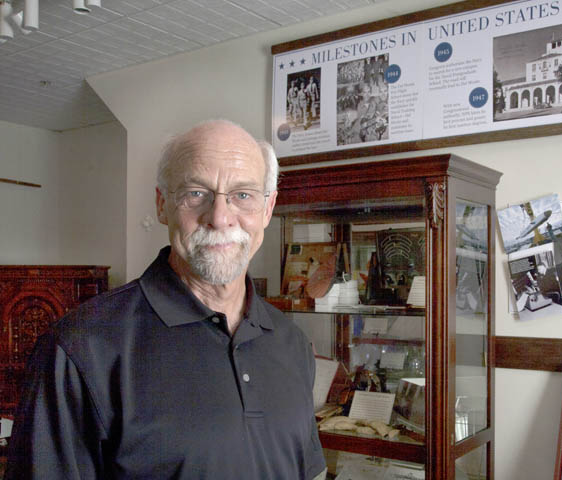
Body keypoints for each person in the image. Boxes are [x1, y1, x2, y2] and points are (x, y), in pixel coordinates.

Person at [5, 120, 327, 479]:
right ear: (162, 205)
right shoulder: (81, 348)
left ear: (267, 210)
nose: (220, 217)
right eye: (196, 193)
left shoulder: (293, 345)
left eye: (243, 195)